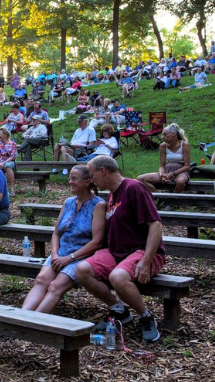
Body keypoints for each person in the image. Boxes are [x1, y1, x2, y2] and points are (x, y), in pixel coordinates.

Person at [75, 156, 164, 342]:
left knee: (118, 277)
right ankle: (119, 311)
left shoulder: (134, 188)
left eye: (92, 175)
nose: (91, 180)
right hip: (117, 252)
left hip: (142, 250)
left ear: (103, 171)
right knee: (82, 270)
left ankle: (146, 317)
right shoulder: (112, 194)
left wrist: (146, 261)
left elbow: (155, 225)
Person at [22, 165, 106, 313]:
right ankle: (22, 318)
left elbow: (97, 242)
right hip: (61, 253)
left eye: (74, 179)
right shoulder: (68, 202)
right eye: (70, 178)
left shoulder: (98, 205)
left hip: (81, 256)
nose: (70, 182)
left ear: (87, 182)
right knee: (41, 280)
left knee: (56, 286)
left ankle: (34, 323)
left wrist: (69, 258)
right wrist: (55, 254)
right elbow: (56, 233)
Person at [137, 123, 191, 193]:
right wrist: (162, 174)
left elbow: (187, 166)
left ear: (173, 134)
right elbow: (162, 166)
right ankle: (160, 198)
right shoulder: (163, 146)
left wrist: (173, 174)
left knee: (180, 181)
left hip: (180, 171)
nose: (162, 137)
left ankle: (174, 200)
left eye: (165, 134)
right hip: (166, 170)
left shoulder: (184, 144)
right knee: (140, 179)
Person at [0, 127, 18, 194]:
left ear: (5, 135)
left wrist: (3, 163)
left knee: (8, 166)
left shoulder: (12, 144)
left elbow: (13, 156)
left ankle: (12, 189)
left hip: (9, 161)